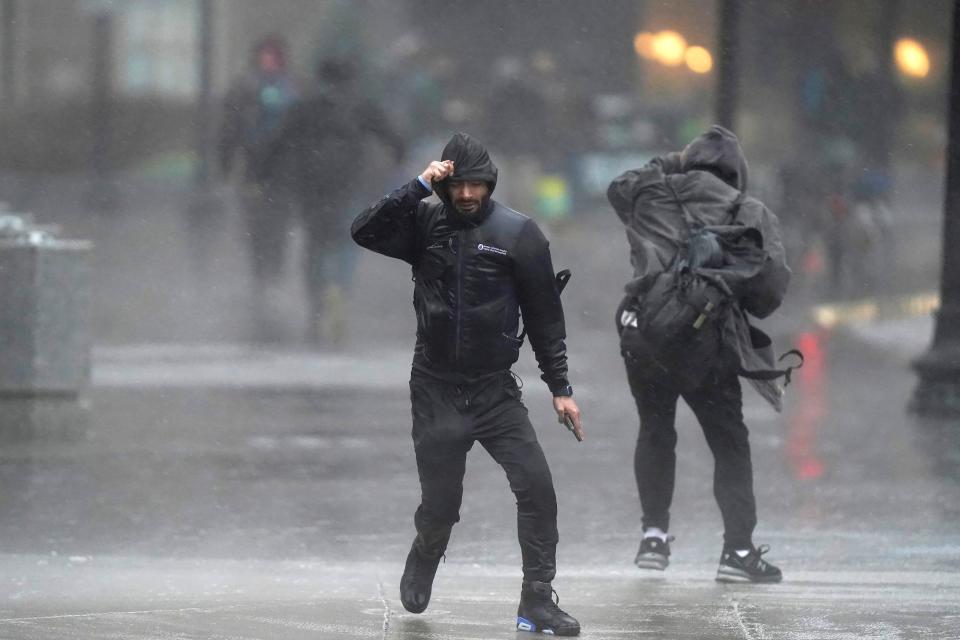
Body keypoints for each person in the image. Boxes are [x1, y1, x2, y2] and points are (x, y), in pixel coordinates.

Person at [352, 132, 583, 636]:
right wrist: (416, 186)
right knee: (442, 504)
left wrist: (560, 387)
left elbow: (546, 315)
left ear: (490, 184)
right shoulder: (424, 222)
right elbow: (363, 231)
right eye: (458, 185)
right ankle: (426, 551)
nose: (467, 195)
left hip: (494, 390)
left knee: (538, 490)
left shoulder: (520, 234)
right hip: (435, 388)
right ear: (446, 184)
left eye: (476, 185)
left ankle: (537, 601)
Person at [607, 126, 791, 583]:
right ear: (736, 172)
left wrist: (672, 162)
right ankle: (738, 551)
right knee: (729, 443)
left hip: (644, 333)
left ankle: (653, 536)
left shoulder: (649, 193)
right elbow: (770, 291)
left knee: (655, 429)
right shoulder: (750, 211)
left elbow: (617, 186)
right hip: (706, 343)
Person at [255, 56, 405, 344]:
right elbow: (392, 136)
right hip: (347, 182)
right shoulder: (361, 106)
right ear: (351, 79)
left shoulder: (304, 107)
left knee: (314, 243)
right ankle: (339, 289)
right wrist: (400, 157)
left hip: (310, 184)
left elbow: (277, 140)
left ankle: (318, 297)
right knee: (346, 238)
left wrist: (260, 173)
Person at [218, 36, 300, 337]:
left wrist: (227, 162)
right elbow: (229, 130)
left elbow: (229, 130)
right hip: (262, 172)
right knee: (259, 226)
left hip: (275, 173)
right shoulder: (282, 87)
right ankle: (264, 278)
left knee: (273, 226)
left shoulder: (267, 87)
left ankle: (269, 277)